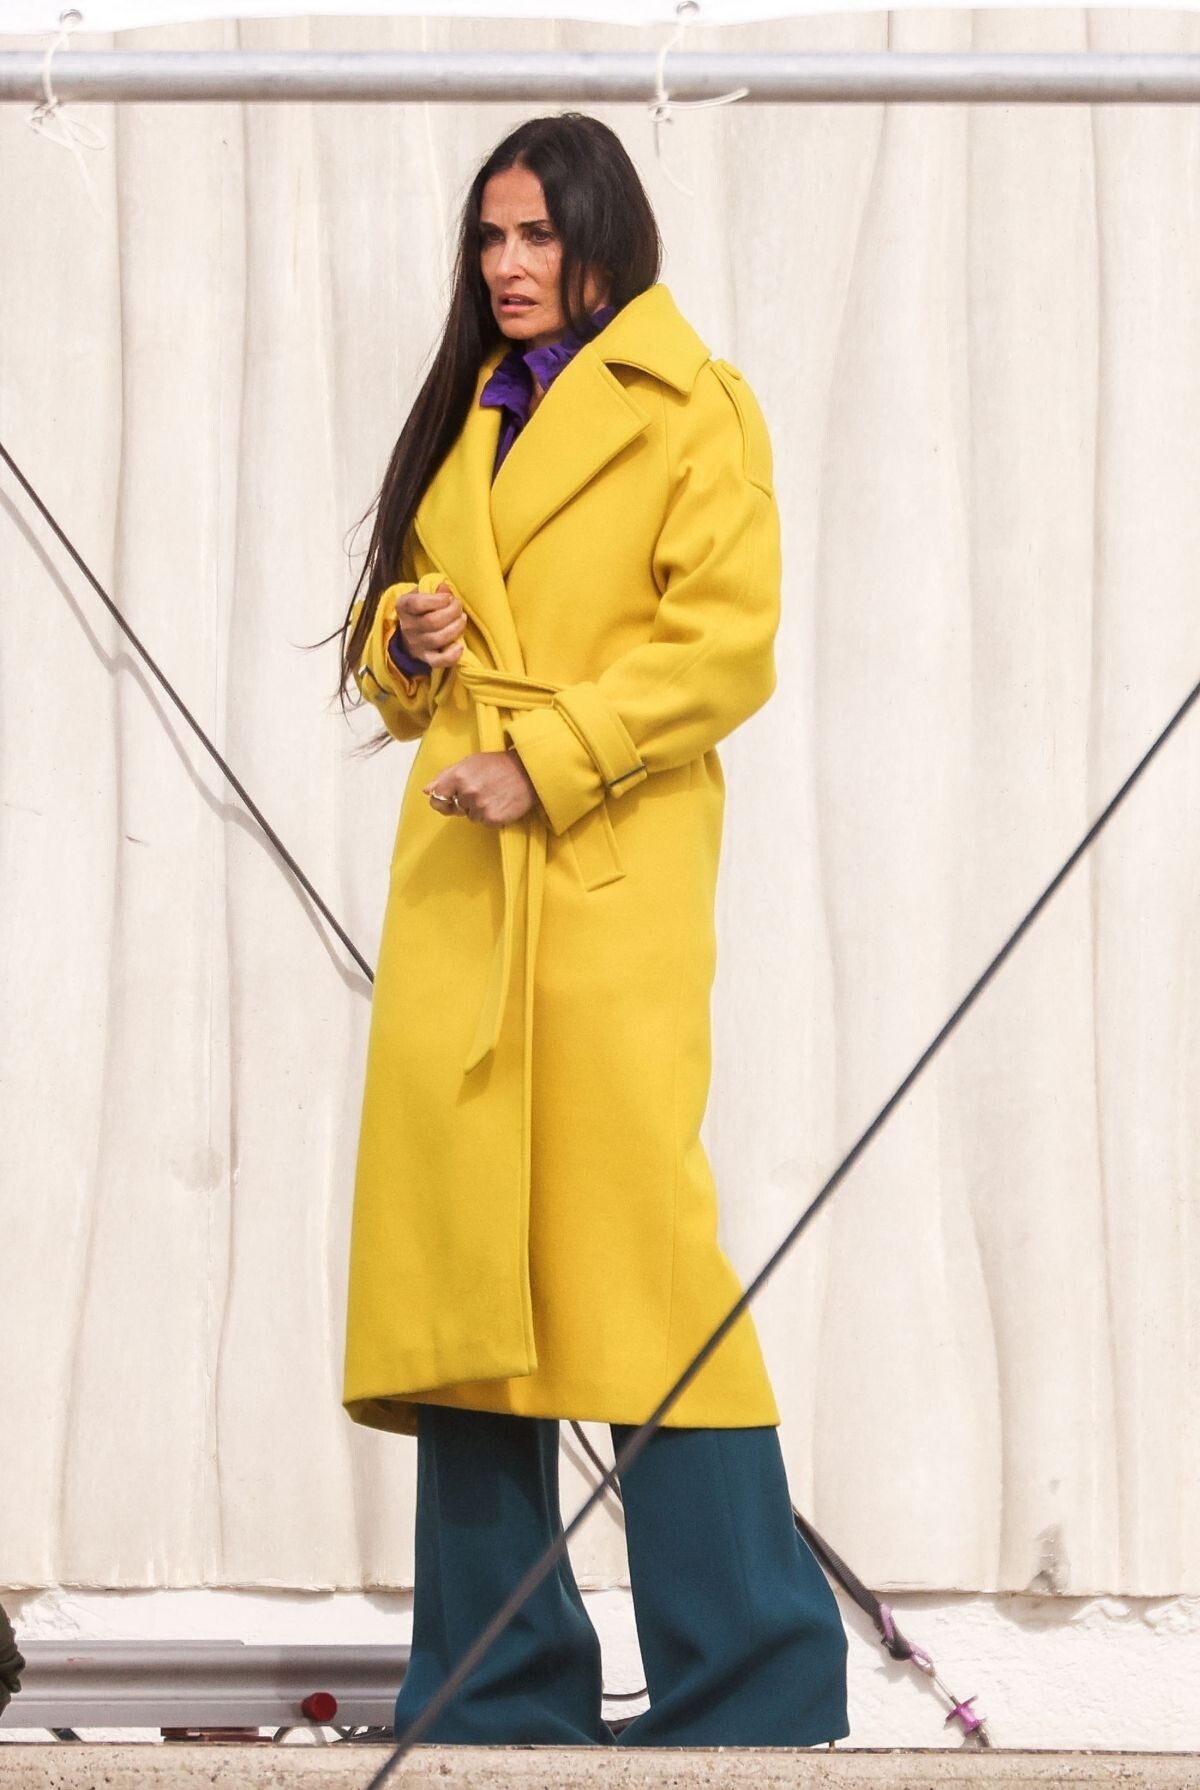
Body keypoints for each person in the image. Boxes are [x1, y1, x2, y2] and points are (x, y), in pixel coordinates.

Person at [333, 111, 850, 1749]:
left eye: (537, 234)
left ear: (604, 237)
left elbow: (725, 647)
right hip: (458, 878)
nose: (507, 265)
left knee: (640, 1261)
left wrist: (546, 760)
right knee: (465, 1271)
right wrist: (409, 638)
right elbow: (392, 674)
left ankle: (755, 1669)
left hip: (603, 869)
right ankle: (496, 1685)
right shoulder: (473, 410)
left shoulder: (695, 405)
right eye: (490, 237)